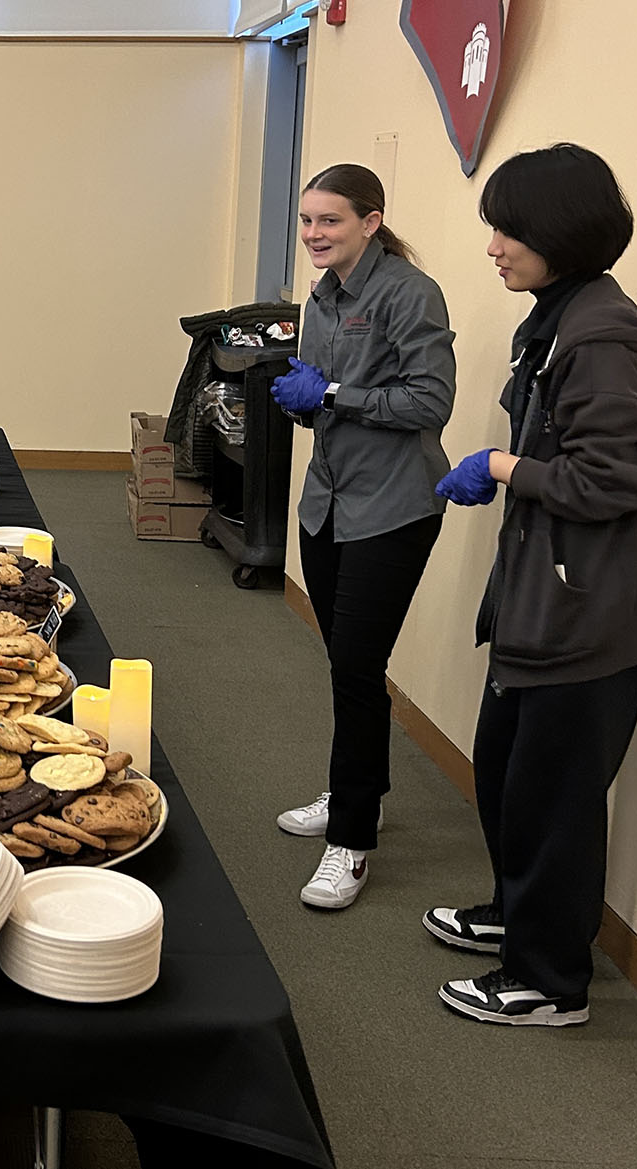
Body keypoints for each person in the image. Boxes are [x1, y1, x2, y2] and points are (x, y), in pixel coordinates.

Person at [427, 144, 637, 1026]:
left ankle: (548, 981)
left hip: (593, 612)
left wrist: (504, 464)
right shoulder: (559, 314)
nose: (495, 246)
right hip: (548, 593)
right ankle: (514, 914)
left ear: (562, 233)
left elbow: (617, 480)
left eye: (511, 230)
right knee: (505, 768)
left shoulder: (601, 336)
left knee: (556, 794)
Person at [270, 163, 456, 910]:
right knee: (348, 661)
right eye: (309, 221)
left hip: (393, 507)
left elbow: (430, 401)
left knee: (356, 662)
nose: (315, 234)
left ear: (372, 221)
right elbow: (324, 391)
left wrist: (336, 395)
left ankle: (350, 841)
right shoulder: (320, 296)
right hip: (329, 505)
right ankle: (362, 790)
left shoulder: (410, 293)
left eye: (331, 221)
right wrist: (303, 401)